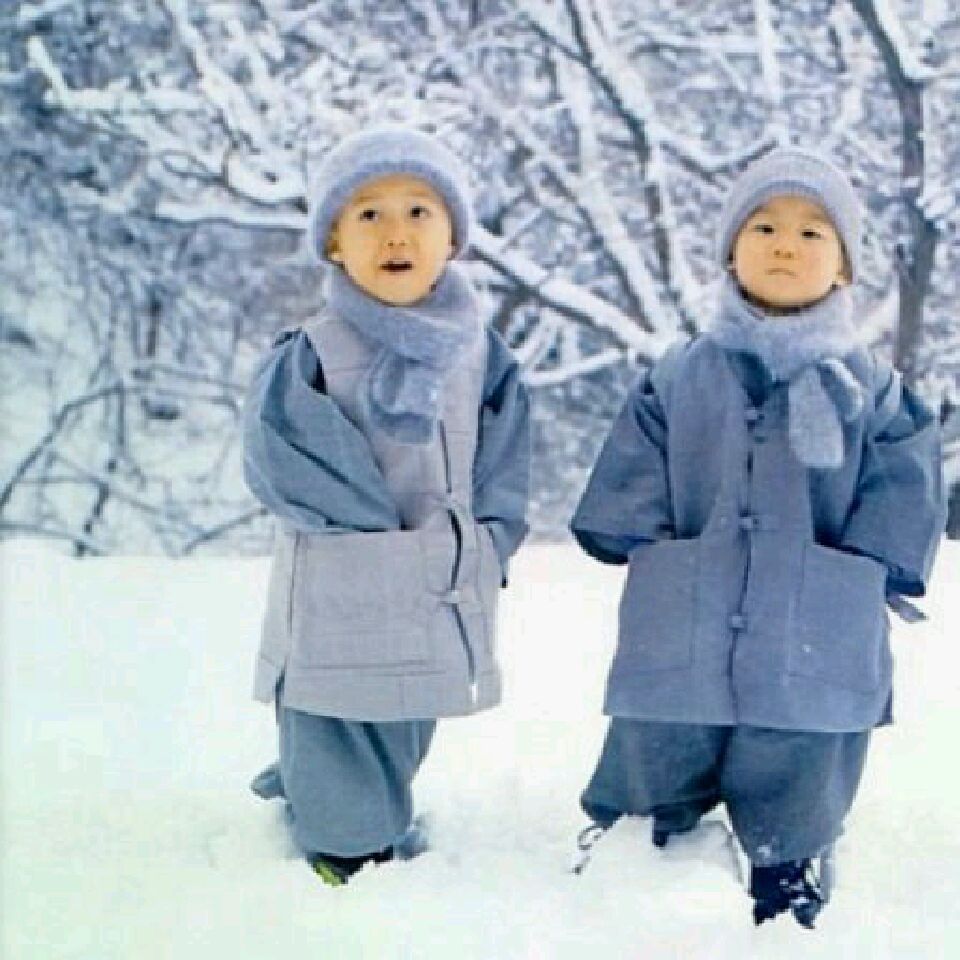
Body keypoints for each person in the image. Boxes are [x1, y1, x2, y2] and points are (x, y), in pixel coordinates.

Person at [570, 148, 946, 927]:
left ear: (843, 266)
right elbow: (634, 470)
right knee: (660, 734)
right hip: (687, 609)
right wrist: (652, 547)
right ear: (730, 251)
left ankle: (789, 860)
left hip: (816, 623)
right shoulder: (679, 374)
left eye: (813, 233)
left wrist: (863, 570)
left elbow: (906, 483)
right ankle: (638, 840)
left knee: (799, 750)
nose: (785, 245)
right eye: (764, 227)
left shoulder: (872, 390)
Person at [243, 125, 530, 885]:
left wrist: (490, 543)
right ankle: (342, 847)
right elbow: (285, 452)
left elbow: (505, 460)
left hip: (438, 584)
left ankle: (343, 799)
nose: (395, 232)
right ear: (335, 242)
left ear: (452, 238)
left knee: (404, 714)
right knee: (337, 711)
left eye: (418, 212)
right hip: (346, 579)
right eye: (369, 214)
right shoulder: (315, 350)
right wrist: (373, 539)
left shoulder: (482, 355)